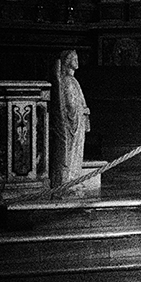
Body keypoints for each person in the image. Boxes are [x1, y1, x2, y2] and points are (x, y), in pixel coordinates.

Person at [50, 49, 90, 191]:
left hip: (77, 121)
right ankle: (68, 180)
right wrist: (82, 110)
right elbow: (70, 105)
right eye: (74, 58)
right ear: (67, 61)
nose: (77, 61)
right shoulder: (67, 81)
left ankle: (73, 178)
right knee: (71, 151)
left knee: (76, 151)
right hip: (72, 122)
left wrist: (84, 110)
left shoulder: (73, 81)